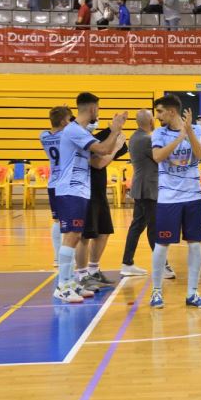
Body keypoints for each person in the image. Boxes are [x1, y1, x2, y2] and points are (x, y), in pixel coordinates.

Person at [53, 92, 127, 303]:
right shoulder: (74, 130)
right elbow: (103, 148)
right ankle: (63, 285)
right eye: (98, 109)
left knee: (75, 236)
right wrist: (115, 130)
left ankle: (70, 282)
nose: (99, 113)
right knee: (72, 236)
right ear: (93, 108)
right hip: (70, 190)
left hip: (79, 190)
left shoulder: (81, 131)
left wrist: (113, 140)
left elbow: (97, 161)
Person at [149, 95, 201, 309]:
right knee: (162, 243)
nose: (157, 117)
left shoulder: (199, 130)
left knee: (195, 243)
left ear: (171, 112)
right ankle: (156, 292)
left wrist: (190, 132)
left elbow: (200, 154)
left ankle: (192, 293)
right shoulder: (158, 133)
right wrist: (179, 137)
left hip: (192, 195)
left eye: (160, 112)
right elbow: (157, 157)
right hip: (168, 198)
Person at [121, 110, 176, 278]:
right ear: (150, 121)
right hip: (148, 188)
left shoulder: (135, 137)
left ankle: (127, 262)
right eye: (153, 118)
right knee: (154, 227)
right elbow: (162, 158)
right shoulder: (146, 140)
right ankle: (162, 266)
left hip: (142, 187)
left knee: (137, 226)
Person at [74, 121, 128, 291]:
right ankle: (81, 275)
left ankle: (93, 270)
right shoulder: (80, 141)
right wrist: (117, 144)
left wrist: (115, 135)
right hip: (84, 192)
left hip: (98, 191)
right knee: (85, 236)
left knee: (103, 232)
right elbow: (98, 163)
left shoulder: (95, 140)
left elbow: (104, 156)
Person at [40, 106, 73, 268]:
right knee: (70, 222)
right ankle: (66, 257)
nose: (71, 121)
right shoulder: (66, 135)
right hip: (66, 183)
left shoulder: (43, 136)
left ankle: (56, 258)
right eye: (69, 119)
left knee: (56, 220)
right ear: (62, 121)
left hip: (53, 182)